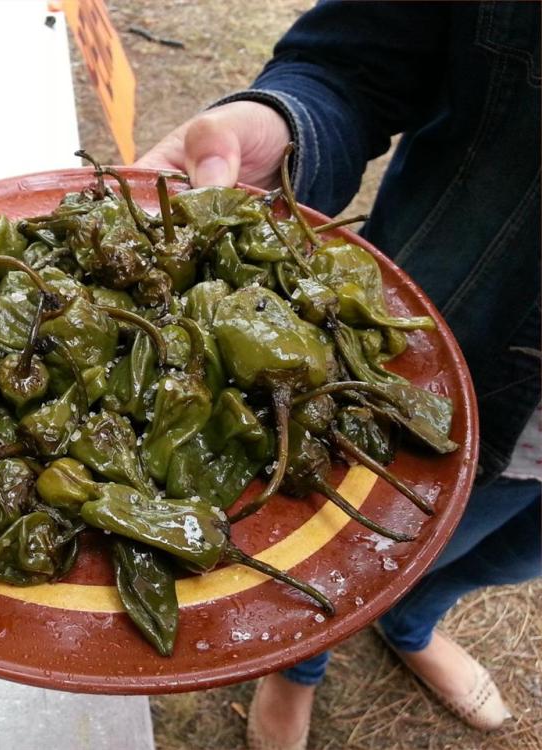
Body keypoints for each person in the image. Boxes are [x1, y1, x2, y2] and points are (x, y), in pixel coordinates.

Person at [135, 2, 541, 748]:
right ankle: (298, 668)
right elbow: (353, 65)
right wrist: (285, 130)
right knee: (343, 550)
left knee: (498, 556)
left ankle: (412, 625)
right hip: (422, 359)